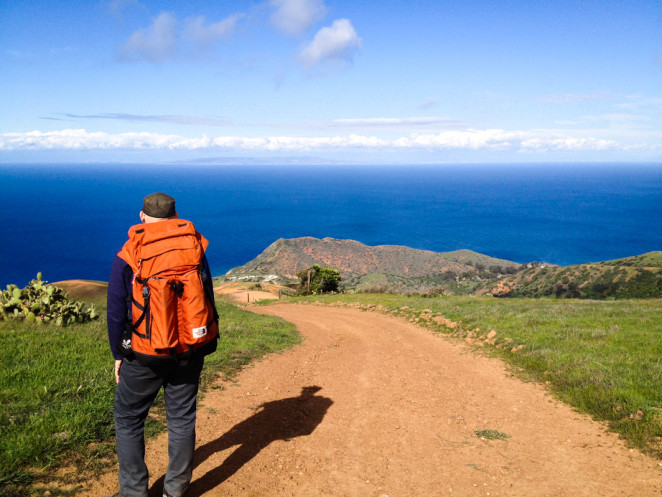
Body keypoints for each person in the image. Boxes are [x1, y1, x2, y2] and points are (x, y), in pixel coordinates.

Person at [106, 193, 218, 497]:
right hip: (190, 348)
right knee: (182, 419)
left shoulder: (130, 253)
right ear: (176, 215)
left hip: (145, 353)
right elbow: (206, 292)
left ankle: (134, 492)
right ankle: (175, 490)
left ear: (142, 216)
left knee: (128, 418)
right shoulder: (194, 246)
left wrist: (119, 353)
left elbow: (117, 310)